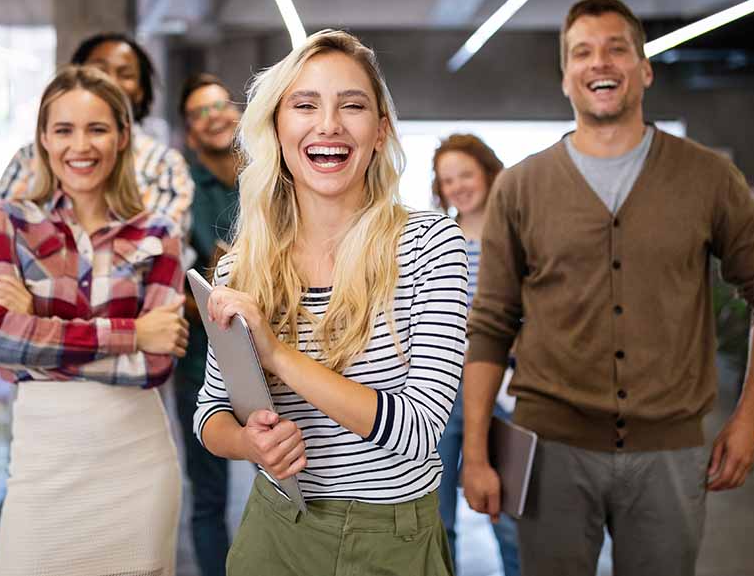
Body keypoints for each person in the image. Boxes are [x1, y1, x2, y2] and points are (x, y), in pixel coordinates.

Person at [462, 0, 754, 576]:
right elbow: (490, 327)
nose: (600, 63)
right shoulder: (521, 187)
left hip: (669, 452)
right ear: (565, 77)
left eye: (617, 49)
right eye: (583, 53)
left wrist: (749, 422)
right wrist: (475, 452)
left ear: (644, 70)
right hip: (551, 451)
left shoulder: (707, 177)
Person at [193, 29, 468, 576]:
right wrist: (251, 445)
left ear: (380, 130)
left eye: (353, 106)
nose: (329, 125)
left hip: (392, 539)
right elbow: (209, 413)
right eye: (305, 105)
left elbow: (418, 431)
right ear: (277, 125)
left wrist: (277, 356)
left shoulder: (430, 246)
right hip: (275, 532)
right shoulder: (241, 267)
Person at [0, 65, 188, 576]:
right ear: (44, 140)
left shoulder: (158, 232)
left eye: (97, 129)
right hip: (42, 470)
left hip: (136, 468)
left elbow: (156, 364)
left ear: (121, 136)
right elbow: (1, 339)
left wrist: (40, 334)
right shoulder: (9, 219)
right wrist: (132, 332)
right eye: (64, 130)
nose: (81, 146)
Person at [0, 32, 193, 234]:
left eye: (125, 74)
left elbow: (157, 250)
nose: (110, 81)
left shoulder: (164, 164)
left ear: (141, 90)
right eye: (98, 70)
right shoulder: (29, 157)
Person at [432, 134, 519, 576]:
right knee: (437, 515)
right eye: (448, 180)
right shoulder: (438, 240)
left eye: (465, 174)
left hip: (506, 387)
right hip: (444, 389)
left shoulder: (516, 236)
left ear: (487, 171)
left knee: (508, 515)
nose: (458, 187)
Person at [174, 72, 241, 576]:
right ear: (191, 133)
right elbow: (164, 289)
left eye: (220, 104)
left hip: (280, 355)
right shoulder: (181, 194)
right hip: (202, 361)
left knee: (291, 481)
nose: (214, 115)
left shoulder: (275, 179)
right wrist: (212, 296)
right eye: (200, 112)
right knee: (208, 496)